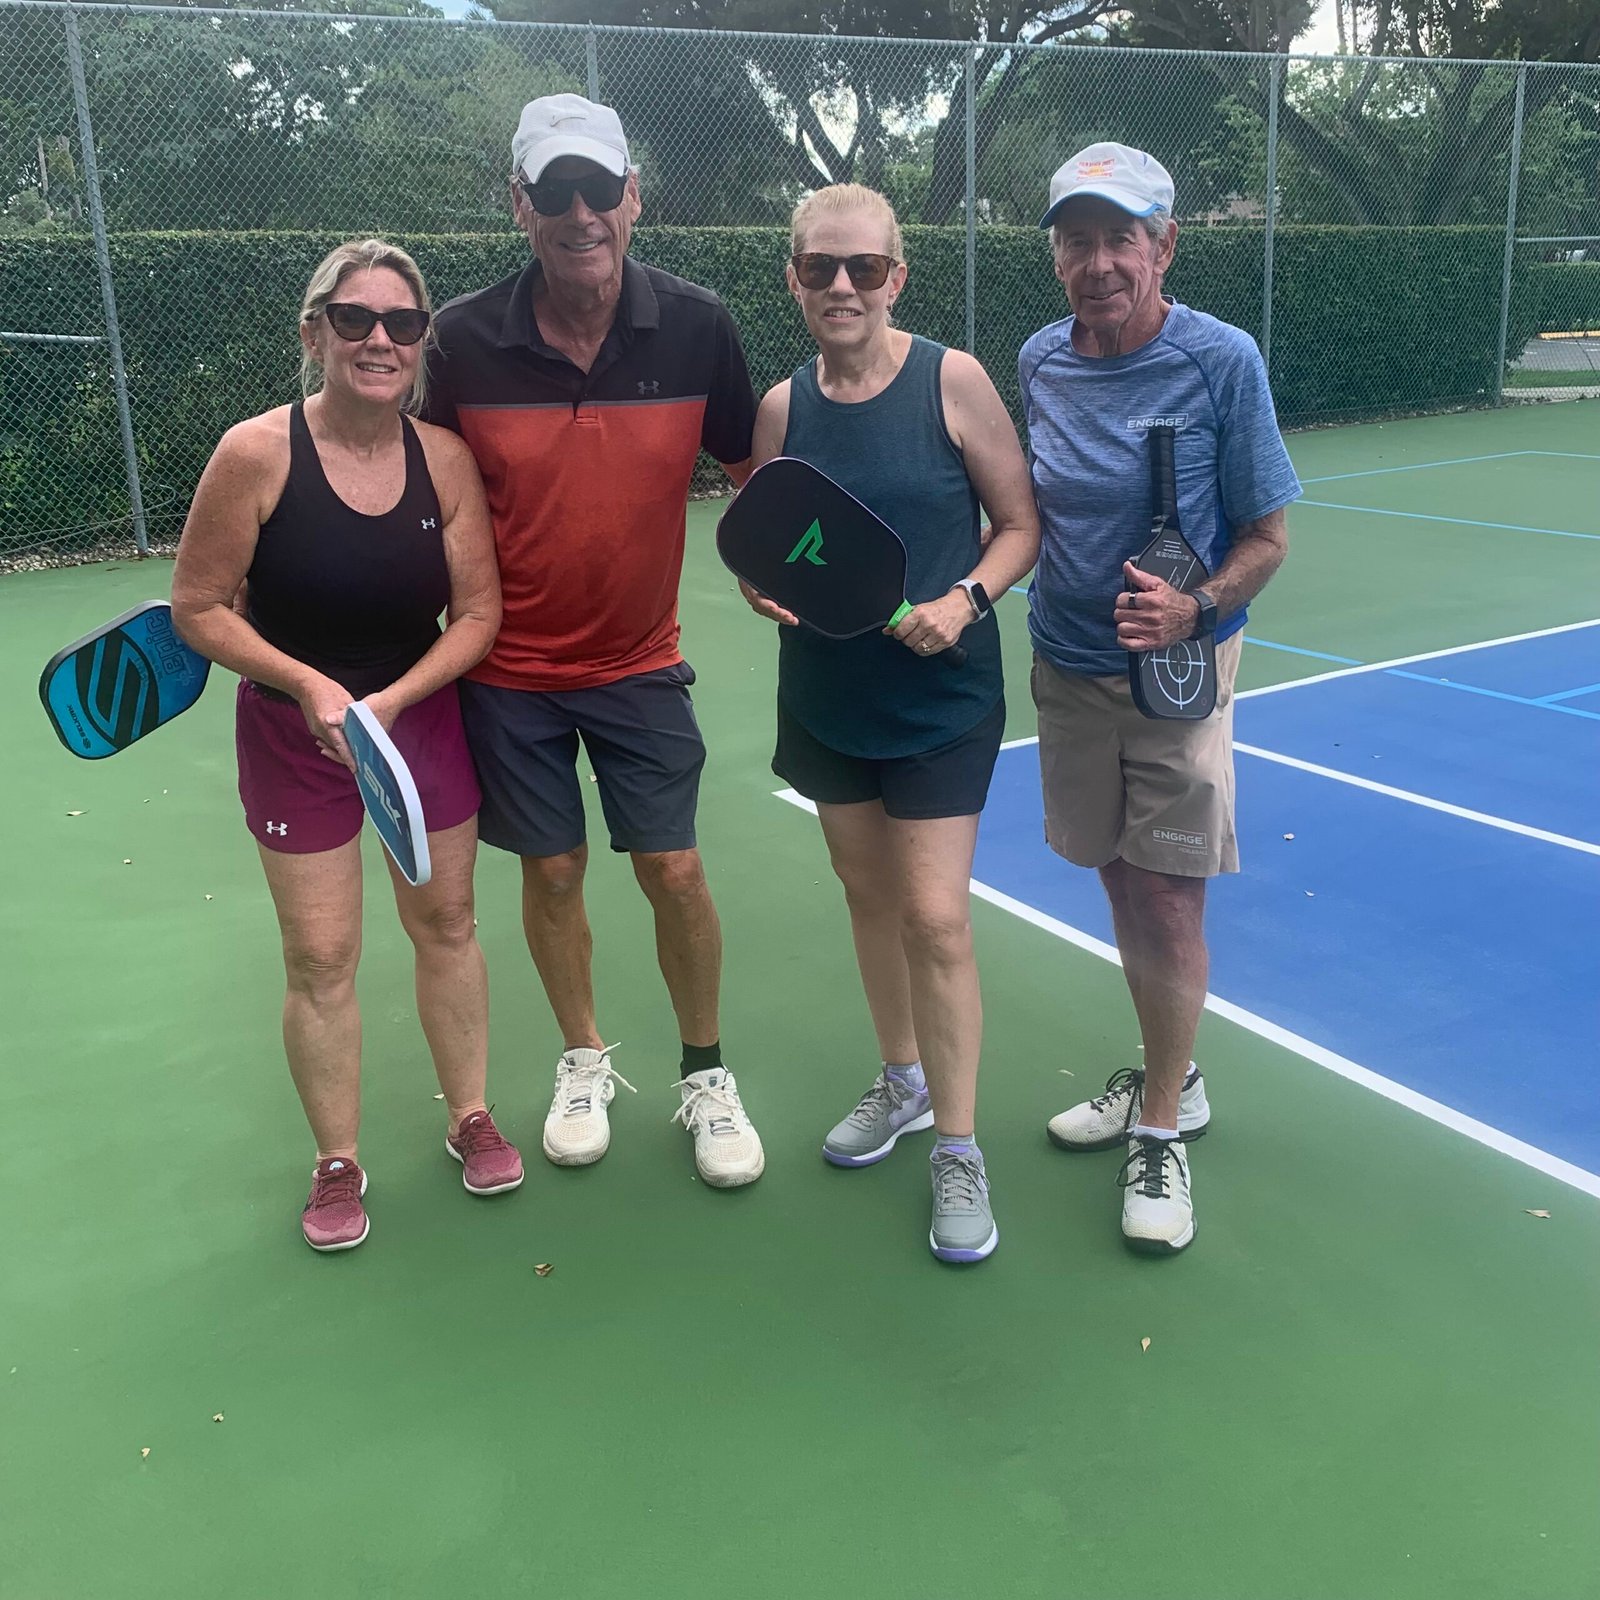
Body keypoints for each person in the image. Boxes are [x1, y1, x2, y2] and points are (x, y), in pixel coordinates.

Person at [424, 95, 765, 1186]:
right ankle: (583, 1056)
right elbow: (417, 494)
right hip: (506, 673)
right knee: (557, 871)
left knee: (672, 866)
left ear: (633, 200)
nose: (581, 213)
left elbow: (748, 473)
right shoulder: (461, 340)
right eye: (555, 193)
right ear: (520, 207)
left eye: (599, 190)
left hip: (640, 661)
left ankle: (706, 1075)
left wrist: (778, 565)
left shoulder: (700, 325)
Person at [171, 239, 519, 1253]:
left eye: (402, 324)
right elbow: (199, 608)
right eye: (355, 319)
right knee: (320, 953)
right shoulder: (254, 454)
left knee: (446, 918)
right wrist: (313, 687)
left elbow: (479, 612)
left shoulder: (442, 458)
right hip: (293, 736)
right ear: (313, 330)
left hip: (420, 726)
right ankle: (336, 1160)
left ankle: (469, 1114)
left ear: (420, 342)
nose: (380, 340)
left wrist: (393, 700)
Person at [738, 184, 1040, 1262]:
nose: (841, 286)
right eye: (819, 266)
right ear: (793, 276)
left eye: (863, 267)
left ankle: (956, 1144)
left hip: (943, 698)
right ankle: (902, 1077)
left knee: (935, 917)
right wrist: (762, 591)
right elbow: (771, 544)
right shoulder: (781, 409)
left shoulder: (949, 380)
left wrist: (967, 599)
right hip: (826, 696)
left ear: (896, 276)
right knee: (868, 896)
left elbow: (1019, 524)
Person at [1021, 144, 1301, 1254]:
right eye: (1076, 240)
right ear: (1057, 254)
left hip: (1180, 676)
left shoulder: (1220, 361)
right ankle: (1166, 1075)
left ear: (1163, 245)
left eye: (1119, 239)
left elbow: (1268, 535)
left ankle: (1161, 1126)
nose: (1097, 262)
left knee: (1170, 896)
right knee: (1119, 876)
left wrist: (1200, 609)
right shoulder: (1040, 359)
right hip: (1065, 669)